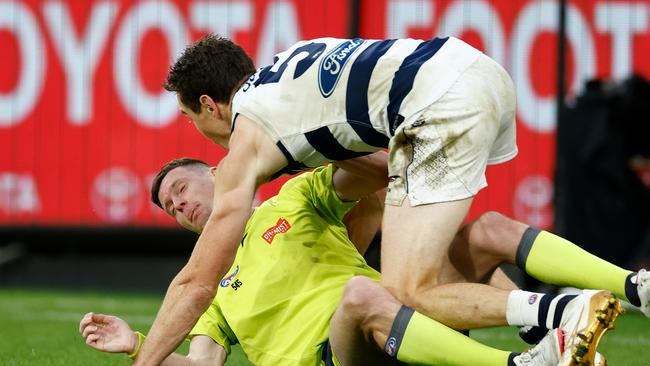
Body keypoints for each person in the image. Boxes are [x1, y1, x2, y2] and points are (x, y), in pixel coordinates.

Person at [134, 35, 649, 365]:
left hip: (430, 108)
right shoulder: (289, 69)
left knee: (402, 288)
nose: (179, 208)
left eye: (190, 120)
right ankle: (633, 286)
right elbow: (386, 174)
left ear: (208, 104)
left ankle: (558, 317)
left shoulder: (254, 141)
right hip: (472, 69)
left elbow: (197, 280)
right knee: (483, 233)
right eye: (169, 208)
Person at [80, 156, 574, 365]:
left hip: (396, 323)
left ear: (216, 172)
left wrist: (300, 147)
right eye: (171, 208)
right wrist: (137, 344)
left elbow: (376, 175)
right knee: (361, 295)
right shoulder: (206, 284)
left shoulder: (293, 197)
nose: (179, 207)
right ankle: (519, 360)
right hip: (338, 355)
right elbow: (203, 363)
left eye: (181, 190)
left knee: (480, 235)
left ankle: (595, 307)